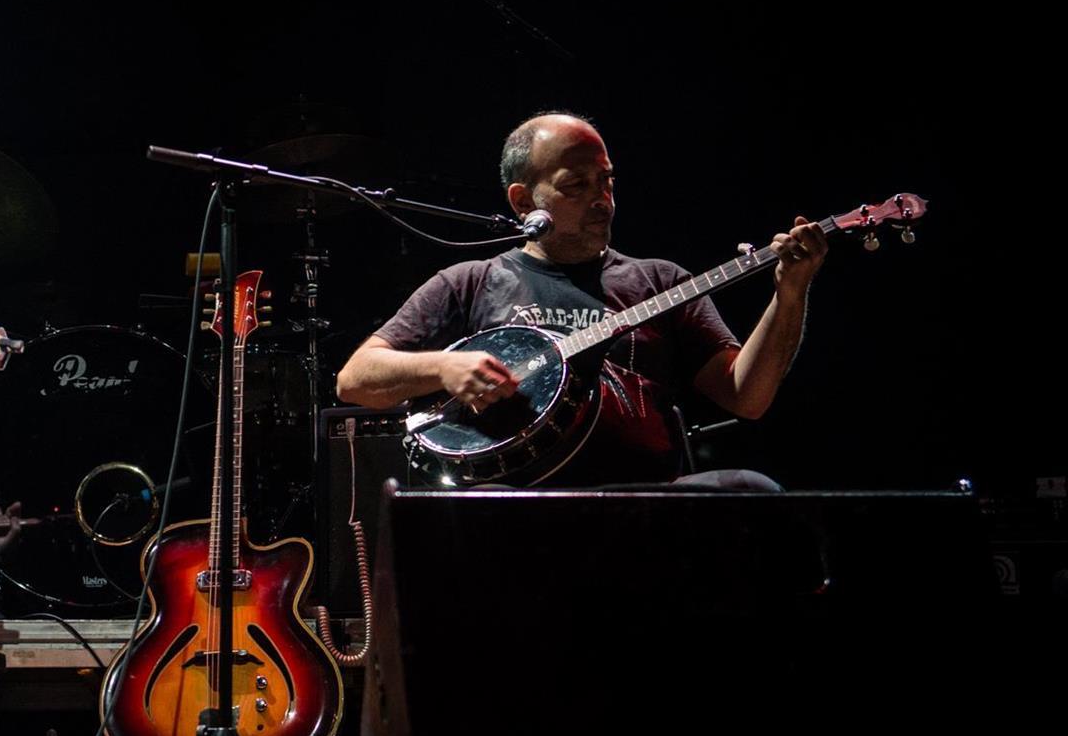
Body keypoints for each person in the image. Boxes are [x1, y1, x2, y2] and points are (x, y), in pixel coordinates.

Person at [334, 112, 827, 486]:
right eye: (578, 185)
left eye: (607, 180)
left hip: (647, 503)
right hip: (518, 504)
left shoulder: (662, 280)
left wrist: (790, 293)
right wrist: (443, 368)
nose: (601, 198)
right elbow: (355, 380)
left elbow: (748, 397)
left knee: (749, 489)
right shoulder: (471, 281)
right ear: (524, 201)